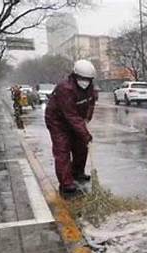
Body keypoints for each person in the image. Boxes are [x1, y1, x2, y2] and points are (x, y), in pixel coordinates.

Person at [45, 60, 97, 195]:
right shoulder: (65, 89)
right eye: (83, 79)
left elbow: (91, 104)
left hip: (76, 120)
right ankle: (66, 183)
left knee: (81, 147)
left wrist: (87, 119)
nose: (85, 82)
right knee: (62, 150)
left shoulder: (90, 88)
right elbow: (71, 115)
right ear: (75, 76)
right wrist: (85, 133)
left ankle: (78, 173)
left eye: (88, 79)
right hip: (58, 122)